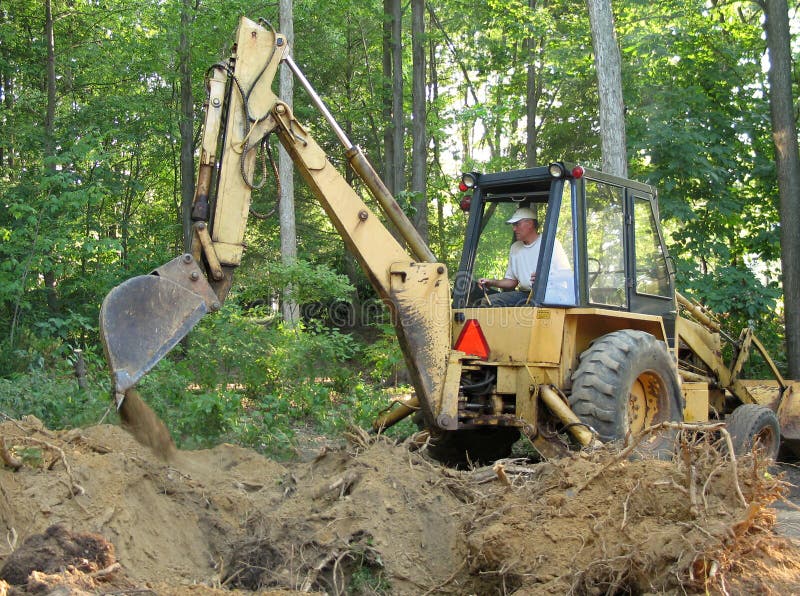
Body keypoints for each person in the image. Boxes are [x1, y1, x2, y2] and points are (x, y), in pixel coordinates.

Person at [477, 207, 572, 306]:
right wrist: (491, 282)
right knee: (489, 302)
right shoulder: (515, 247)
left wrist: (545, 277)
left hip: (550, 294)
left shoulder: (550, 243)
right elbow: (512, 281)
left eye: (517, 224)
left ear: (530, 224)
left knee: (529, 308)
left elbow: (567, 274)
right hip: (525, 294)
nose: (514, 228)